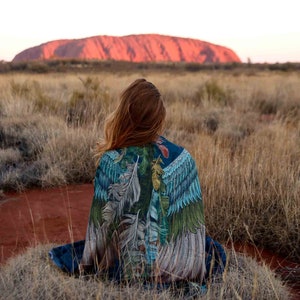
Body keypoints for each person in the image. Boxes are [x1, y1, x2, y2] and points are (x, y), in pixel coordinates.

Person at [49, 78, 226, 291]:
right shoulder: (184, 159)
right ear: (159, 118)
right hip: (181, 266)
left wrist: (91, 264)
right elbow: (192, 229)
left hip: (130, 268)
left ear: (124, 113)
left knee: (76, 251)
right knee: (211, 248)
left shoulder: (112, 161)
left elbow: (100, 232)